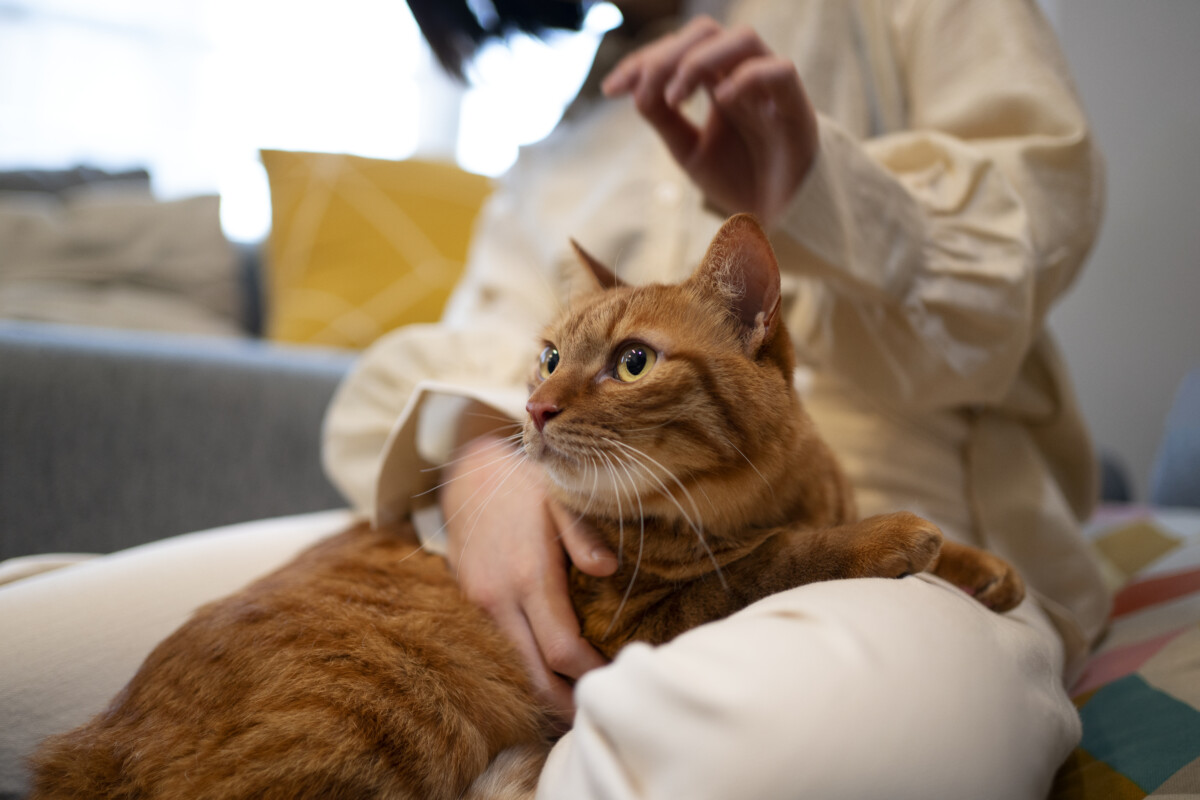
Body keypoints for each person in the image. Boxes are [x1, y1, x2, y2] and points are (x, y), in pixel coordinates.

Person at [0, 1, 1109, 798]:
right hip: (485, 542)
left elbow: (1028, 249)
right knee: (21, 648)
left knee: (789, 748)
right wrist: (482, 454)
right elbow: (436, 359)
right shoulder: (561, 135)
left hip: (868, 541)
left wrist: (827, 192)